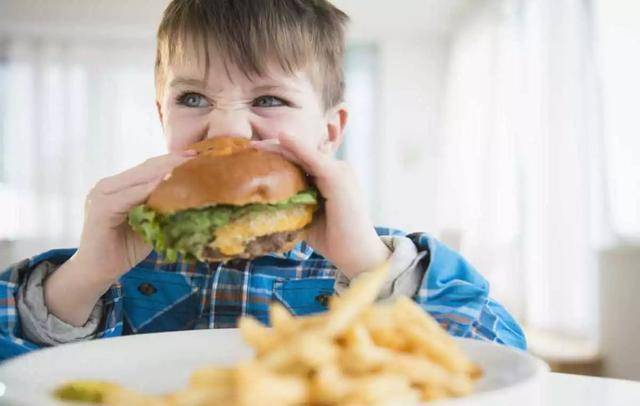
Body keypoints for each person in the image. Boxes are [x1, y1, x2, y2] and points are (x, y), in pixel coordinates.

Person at [0, 0, 525, 362]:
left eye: (269, 100)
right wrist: (83, 274)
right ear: (162, 116)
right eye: (193, 99)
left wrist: (370, 267)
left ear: (328, 131)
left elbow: (501, 360)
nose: (226, 127)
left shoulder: (375, 257)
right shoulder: (116, 265)